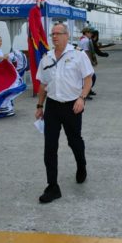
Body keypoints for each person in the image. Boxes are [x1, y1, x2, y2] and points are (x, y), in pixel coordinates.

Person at [35, 23, 94, 203]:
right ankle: (52, 186)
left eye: (58, 34)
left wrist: (82, 98)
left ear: (67, 36)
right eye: (52, 34)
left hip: (72, 105)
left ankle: (81, 165)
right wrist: (39, 106)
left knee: (74, 141)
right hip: (52, 106)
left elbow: (88, 79)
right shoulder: (46, 58)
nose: (54, 37)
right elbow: (43, 85)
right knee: (50, 147)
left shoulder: (78, 55)